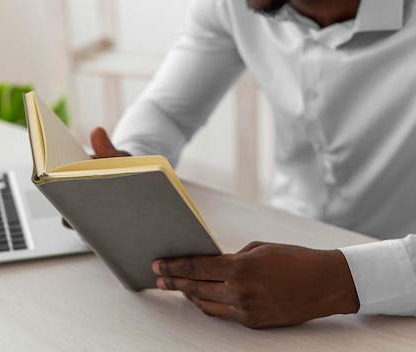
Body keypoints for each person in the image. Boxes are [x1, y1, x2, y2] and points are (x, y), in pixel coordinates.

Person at [87, 0, 416, 329]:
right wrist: (127, 172)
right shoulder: (232, 6)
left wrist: (338, 281)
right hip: (278, 261)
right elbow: (168, 111)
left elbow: (339, 282)